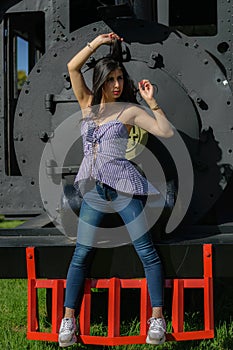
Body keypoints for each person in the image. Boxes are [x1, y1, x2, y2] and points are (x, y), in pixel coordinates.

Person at [58, 32, 174, 348]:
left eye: (120, 78)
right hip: (94, 191)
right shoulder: (87, 106)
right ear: (101, 82)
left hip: (123, 189)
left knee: (146, 251)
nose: (117, 85)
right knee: (81, 254)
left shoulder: (128, 111)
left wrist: (152, 102)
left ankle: (158, 319)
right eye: (111, 79)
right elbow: (72, 67)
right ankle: (68, 320)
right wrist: (96, 43)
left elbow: (165, 131)